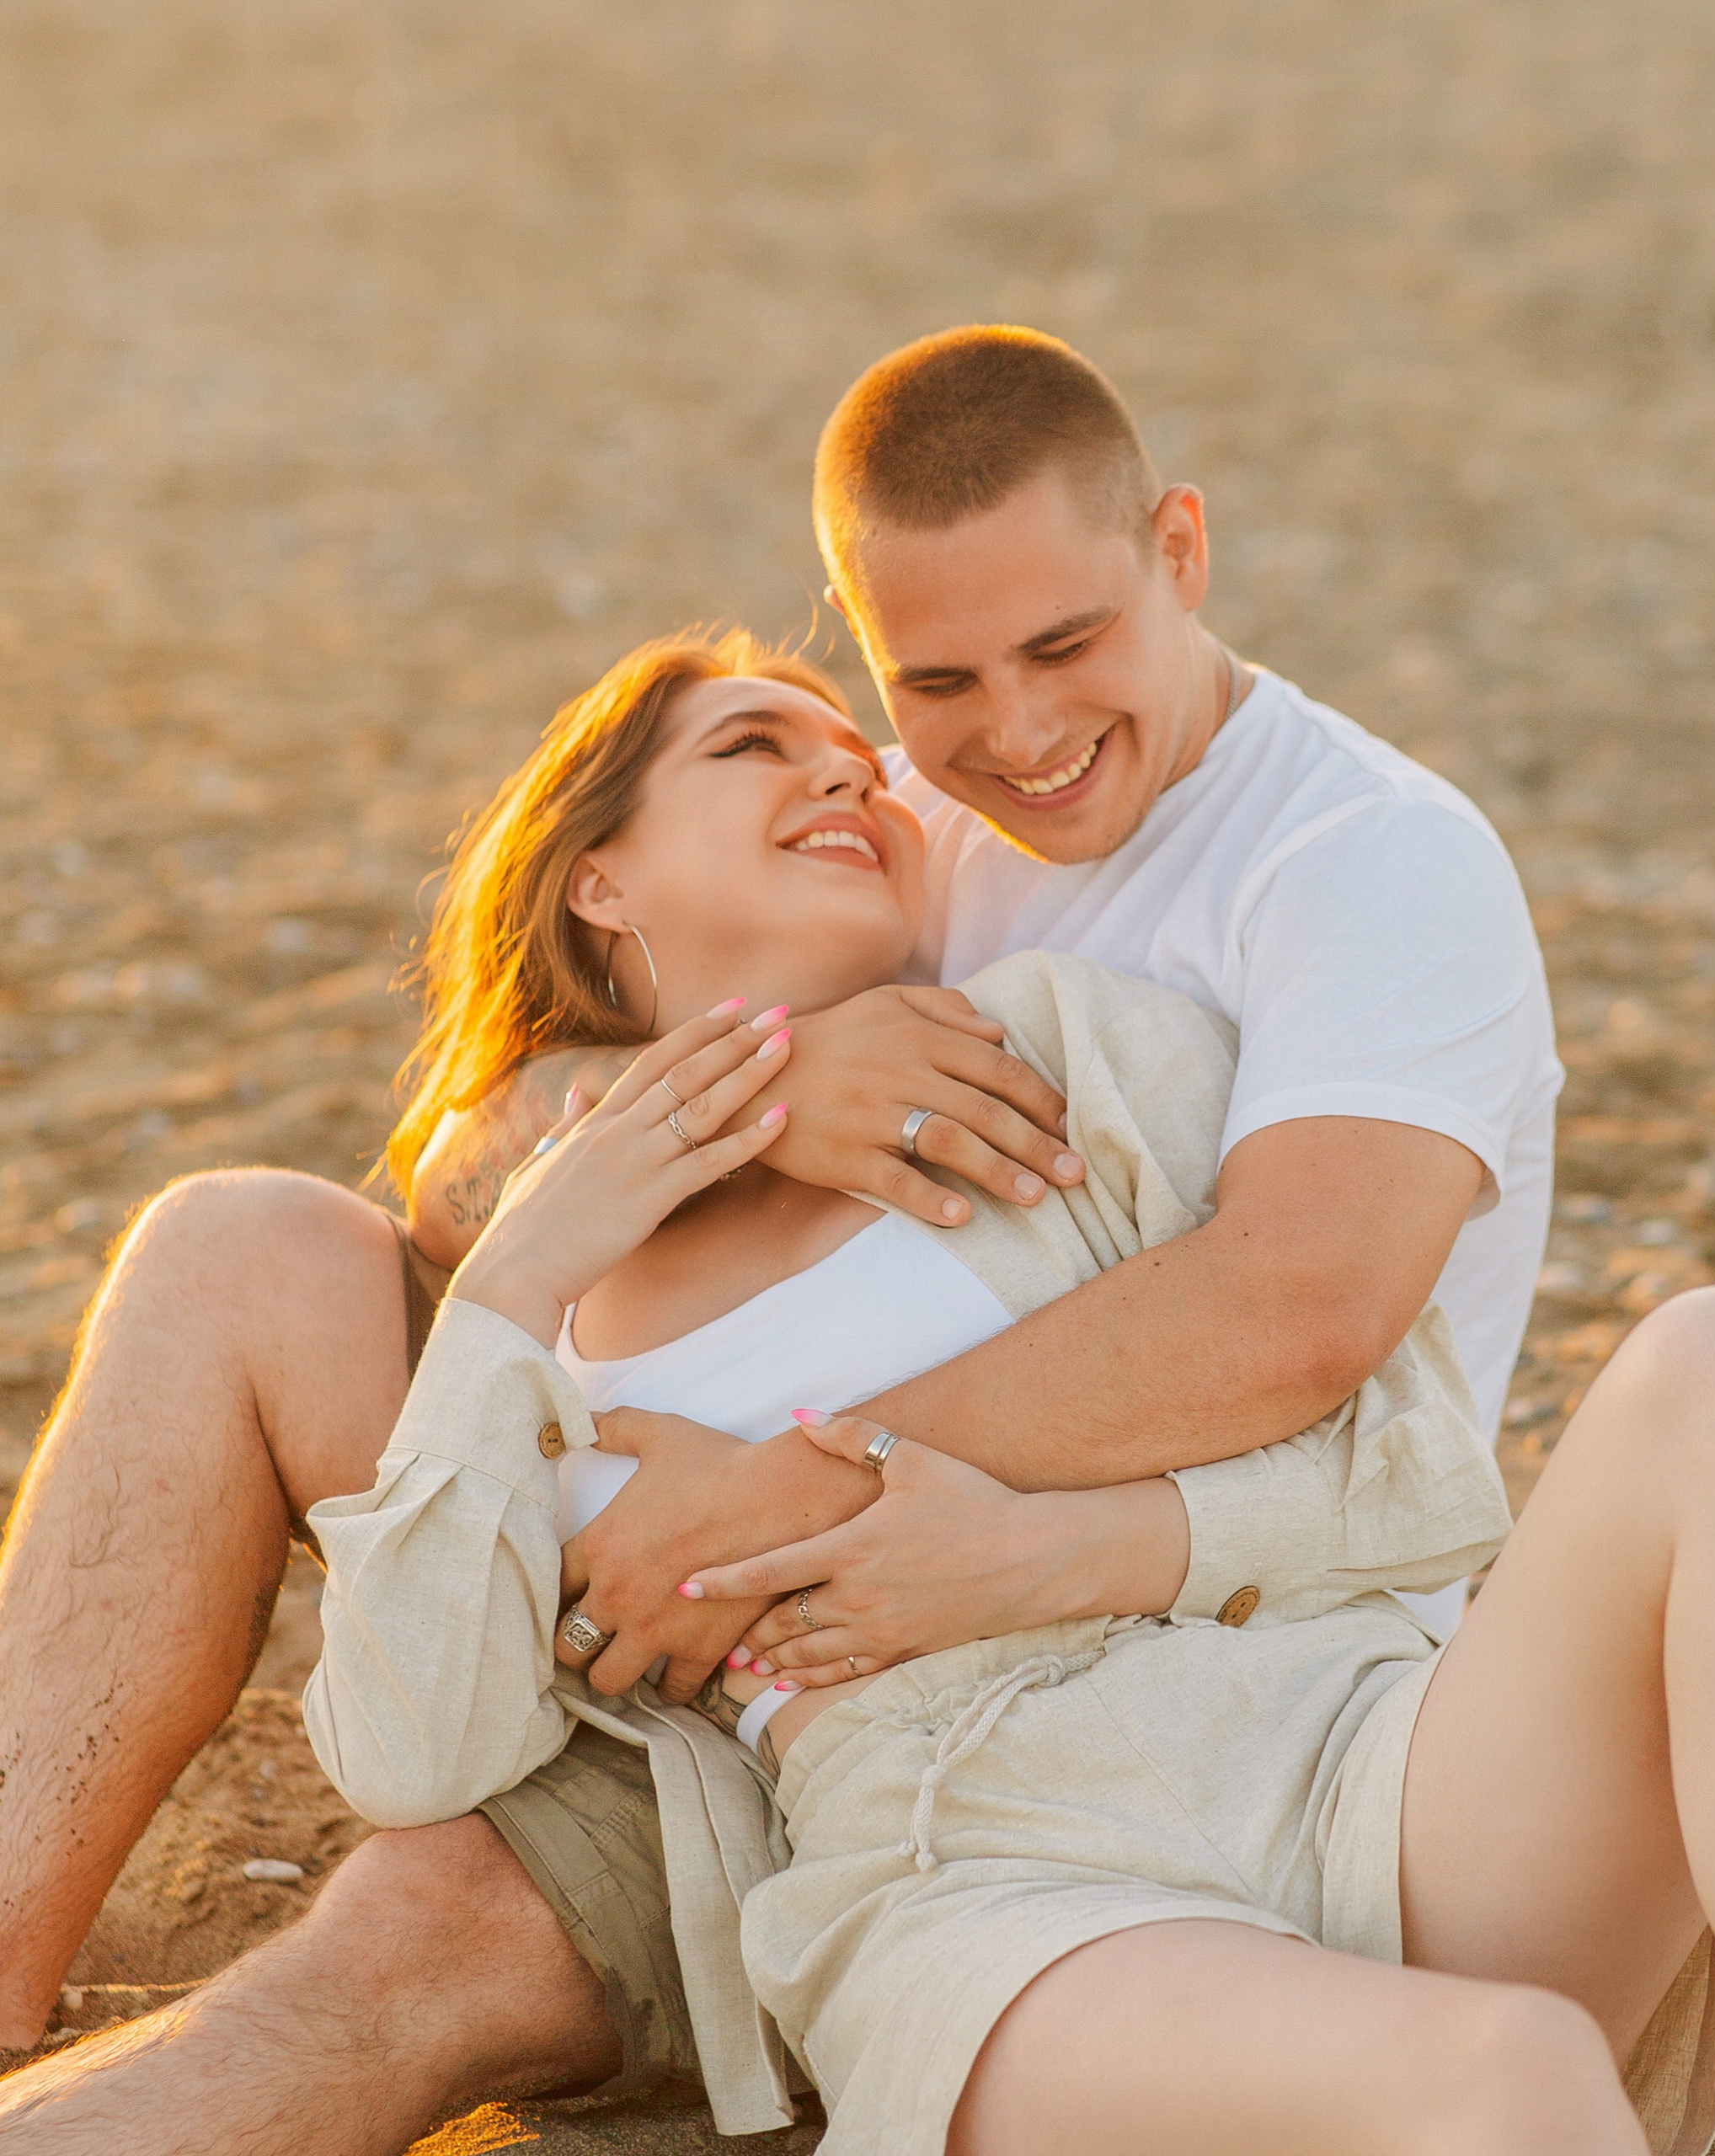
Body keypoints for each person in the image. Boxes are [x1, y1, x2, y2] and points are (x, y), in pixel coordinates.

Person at [0, 622, 1715, 2156]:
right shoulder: (526, 1289)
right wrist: (542, 1247)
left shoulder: (1074, 1059)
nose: (844, 773)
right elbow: (422, 1740)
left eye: (857, 763)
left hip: (1356, 1773)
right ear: (598, 875)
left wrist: (1032, 1540)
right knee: (1512, 2079)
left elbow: (1417, 1474)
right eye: (757, 748)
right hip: (979, 1857)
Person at [0, 324, 1551, 2052]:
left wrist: (768, 1500)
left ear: (1177, 550)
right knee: (228, 1241)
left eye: (1067, 643)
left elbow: (1297, 1315)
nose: (1017, 733)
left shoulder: (1348, 858)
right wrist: (749, 1089)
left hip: (1063, 1655)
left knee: (393, 1946)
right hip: (633, 1583)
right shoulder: (907, 818)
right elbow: (455, 1165)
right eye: (934, 684)